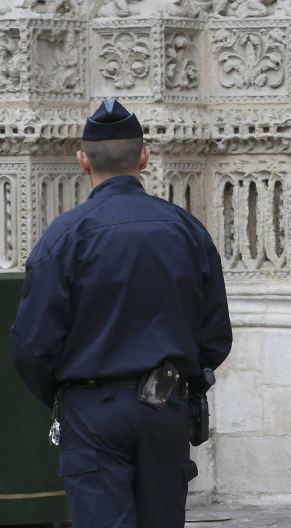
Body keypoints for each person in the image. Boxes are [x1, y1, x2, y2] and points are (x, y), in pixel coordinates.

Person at [9, 99, 233, 528]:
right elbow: (215, 334)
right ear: (144, 157)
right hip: (164, 404)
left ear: (81, 161)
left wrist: (67, 396)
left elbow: (32, 343)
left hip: (92, 408)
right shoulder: (185, 230)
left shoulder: (65, 236)